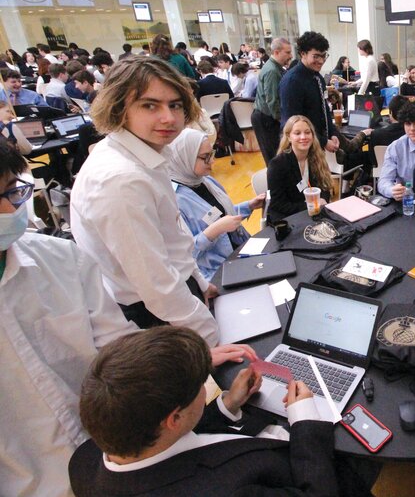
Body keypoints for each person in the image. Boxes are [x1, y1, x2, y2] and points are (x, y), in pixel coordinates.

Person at [0, 143, 255, 497]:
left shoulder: (59, 260)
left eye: (12, 192)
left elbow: (117, 341)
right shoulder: (117, 184)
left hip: (124, 454)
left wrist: (180, 364)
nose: (7, 209)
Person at [70, 326, 374, 497]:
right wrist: (306, 422)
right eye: (200, 383)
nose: (206, 386)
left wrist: (227, 405)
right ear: (173, 418)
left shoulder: (87, 458)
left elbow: (176, 440)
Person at [70, 56, 220, 346]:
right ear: (119, 107)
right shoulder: (120, 179)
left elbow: (171, 238)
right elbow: (156, 284)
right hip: (156, 311)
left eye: (175, 105)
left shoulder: (145, 153)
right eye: (150, 105)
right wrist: (210, 338)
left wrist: (199, 284)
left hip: (177, 293)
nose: (168, 118)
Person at [167, 129, 265, 280]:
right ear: (185, 158)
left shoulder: (205, 181)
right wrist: (214, 231)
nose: (212, 161)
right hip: (218, 273)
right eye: (205, 157)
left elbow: (222, 214)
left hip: (241, 252)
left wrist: (249, 206)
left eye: (211, 154)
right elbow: (185, 255)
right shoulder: (174, 201)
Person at [279, 31, 340, 153]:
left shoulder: (318, 78)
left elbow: (324, 109)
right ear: (303, 54)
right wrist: (323, 141)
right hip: (301, 147)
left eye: (323, 56)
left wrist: (332, 133)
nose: (321, 61)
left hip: (318, 144)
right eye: (316, 56)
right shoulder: (292, 81)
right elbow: (293, 123)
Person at [266, 115, 334, 224]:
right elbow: (277, 204)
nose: (303, 137)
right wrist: (309, 206)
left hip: (312, 214)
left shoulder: (316, 158)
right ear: (288, 137)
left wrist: (323, 200)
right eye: (297, 133)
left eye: (307, 132)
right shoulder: (277, 165)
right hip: (287, 220)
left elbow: (324, 187)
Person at [251, 37, 292, 165]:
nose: (290, 56)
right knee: (273, 158)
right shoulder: (272, 71)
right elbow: (272, 101)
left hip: (268, 118)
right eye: (287, 52)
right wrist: (284, 123)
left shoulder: (276, 68)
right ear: (276, 52)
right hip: (266, 119)